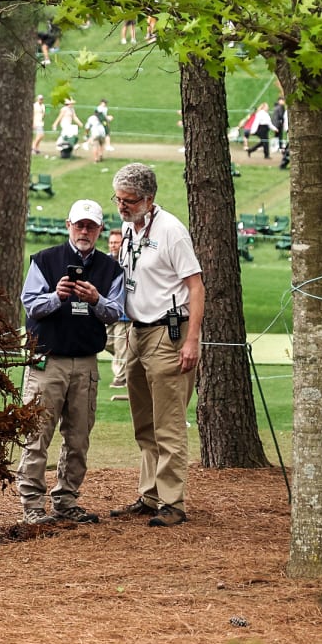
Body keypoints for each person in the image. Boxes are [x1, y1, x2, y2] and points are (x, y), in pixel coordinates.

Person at [16, 199, 125, 525]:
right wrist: (57, 296)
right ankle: (32, 506)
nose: (84, 231)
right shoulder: (46, 261)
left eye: (91, 226)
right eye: (79, 225)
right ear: (68, 225)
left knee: (78, 439)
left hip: (86, 363)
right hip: (47, 363)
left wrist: (95, 300)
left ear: (100, 230)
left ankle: (66, 500)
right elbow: (31, 304)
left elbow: (118, 311)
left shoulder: (110, 269)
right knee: (37, 437)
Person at [109, 163, 204, 528]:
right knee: (144, 422)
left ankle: (172, 502)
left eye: (129, 200)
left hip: (168, 331)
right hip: (136, 330)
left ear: (150, 199)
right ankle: (149, 495)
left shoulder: (172, 232)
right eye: (118, 199)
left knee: (168, 423)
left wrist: (191, 340)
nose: (122, 206)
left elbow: (196, 287)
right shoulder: (129, 228)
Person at [105, 229, 130, 389]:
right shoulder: (104, 261)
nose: (114, 245)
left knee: (121, 346)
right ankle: (130, 360)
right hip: (107, 310)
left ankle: (120, 379)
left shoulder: (128, 261)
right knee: (105, 341)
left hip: (124, 314)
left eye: (117, 242)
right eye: (112, 242)